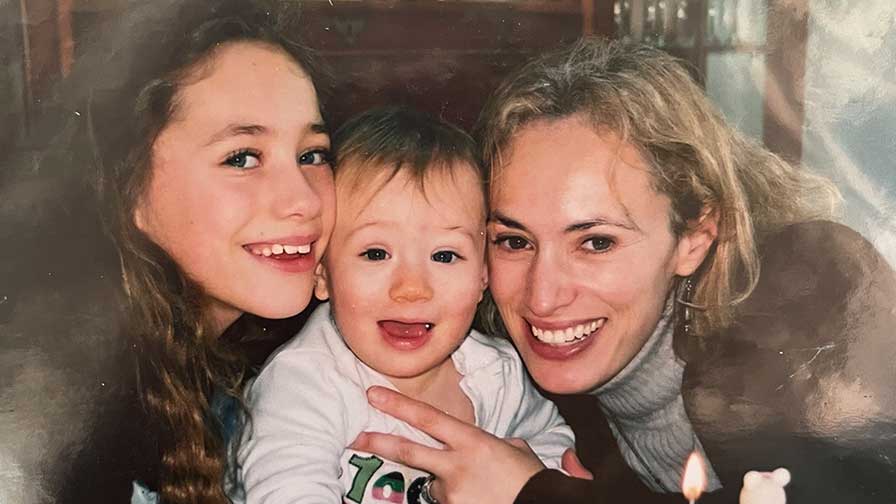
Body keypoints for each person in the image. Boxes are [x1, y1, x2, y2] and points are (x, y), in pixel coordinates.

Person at [350, 39, 896, 503]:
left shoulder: (810, 289)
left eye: (595, 241)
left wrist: (531, 494)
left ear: (695, 236)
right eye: (514, 240)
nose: (543, 297)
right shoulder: (500, 366)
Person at [0, 1, 335, 502]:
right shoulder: (70, 421)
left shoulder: (238, 371)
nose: (304, 200)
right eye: (242, 157)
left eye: (312, 155)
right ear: (129, 189)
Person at [236, 107, 574, 503]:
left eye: (445, 256)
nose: (411, 289)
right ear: (323, 273)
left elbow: (551, 444)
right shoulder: (302, 385)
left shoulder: (496, 373)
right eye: (376, 254)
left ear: (484, 275)